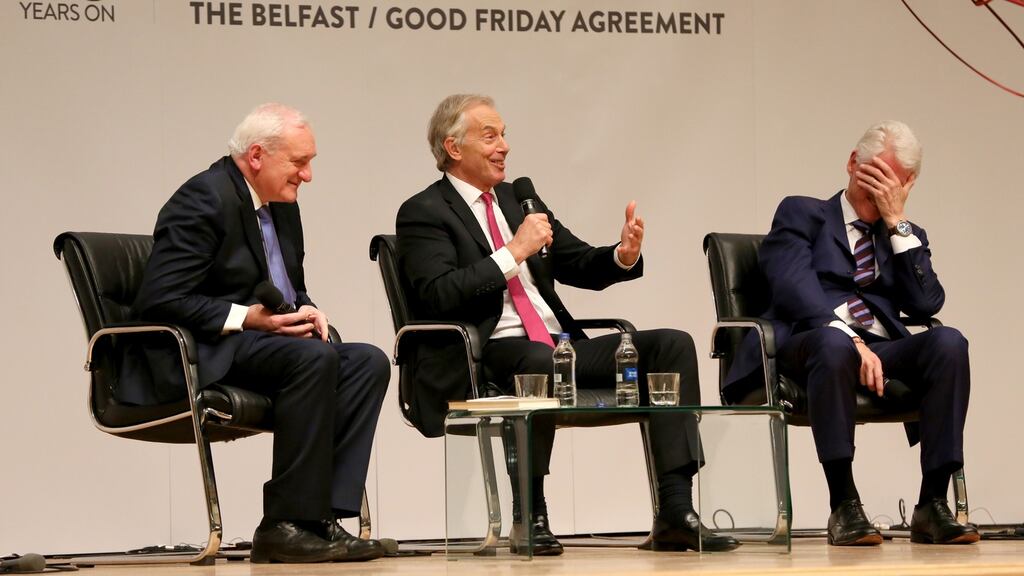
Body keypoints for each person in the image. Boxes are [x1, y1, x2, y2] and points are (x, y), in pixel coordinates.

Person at [396, 94, 738, 555]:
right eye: (490, 135)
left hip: (557, 346)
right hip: (487, 351)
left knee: (671, 346)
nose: (505, 146)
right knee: (537, 362)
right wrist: (513, 252)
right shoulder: (424, 211)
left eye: (505, 134)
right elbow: (437, 293)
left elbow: (577, 262)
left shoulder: (518, 201)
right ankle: (530, 515)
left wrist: (622, 255)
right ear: (454, 148)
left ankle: (675, 510)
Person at [134, 103, 390, 563]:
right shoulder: (204, 198)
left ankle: (319, 521)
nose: (307, 175)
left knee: (367, 361)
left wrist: (307, 311)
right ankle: (283, 527)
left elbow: (290, 287)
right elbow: (160, 297)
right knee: (314, 359)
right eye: (299, 163)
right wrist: (248, 318)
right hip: (208, 350)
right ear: (256, 156)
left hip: (264, 345)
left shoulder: (281, 206)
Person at [724, 121, 977, 546]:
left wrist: (897, 223)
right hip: (805, 343)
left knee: (949, 342)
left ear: (907, 184)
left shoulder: (901, 237)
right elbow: (790, 286)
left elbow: (926, 304)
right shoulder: (802, 213)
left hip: (880, 350)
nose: (877, 193)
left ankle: (932, 504)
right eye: (871, 177)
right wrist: (851, 337)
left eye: (889, 184)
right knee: (834, 342)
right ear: (851, 164)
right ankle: (844, 504)